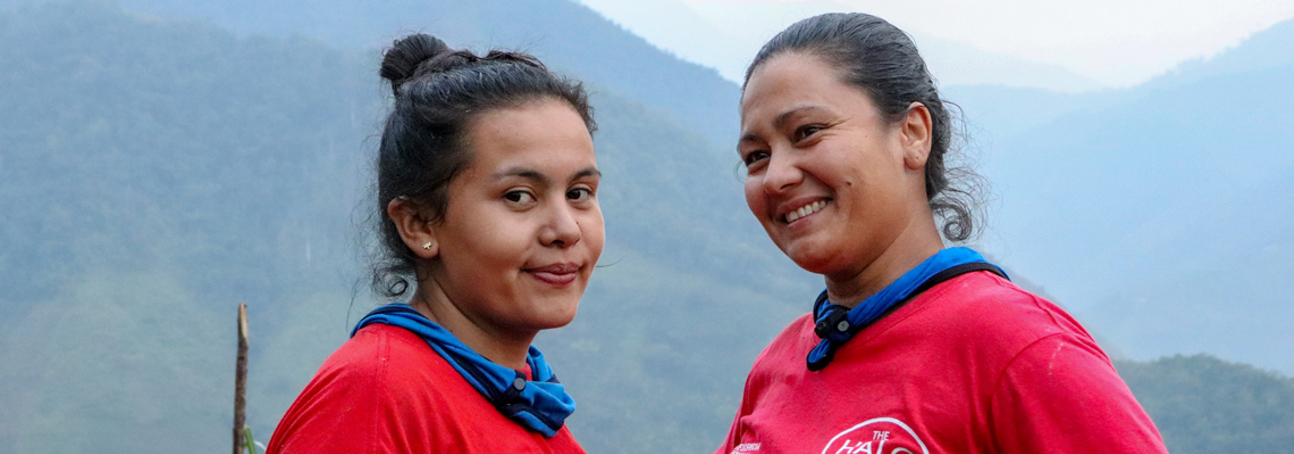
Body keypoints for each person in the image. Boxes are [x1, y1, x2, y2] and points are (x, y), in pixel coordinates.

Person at [717, 13, 1168, 454]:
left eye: (808, 132)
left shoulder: (1017, 347)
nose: (775, 176)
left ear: (912, 134)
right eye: (756, 156)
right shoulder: (778, 366)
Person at [266, 34, 600, 453]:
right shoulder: (377, 397)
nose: (566, 229)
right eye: (518, 196)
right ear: (419, 223)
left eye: (579, 193)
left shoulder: (528, 403)